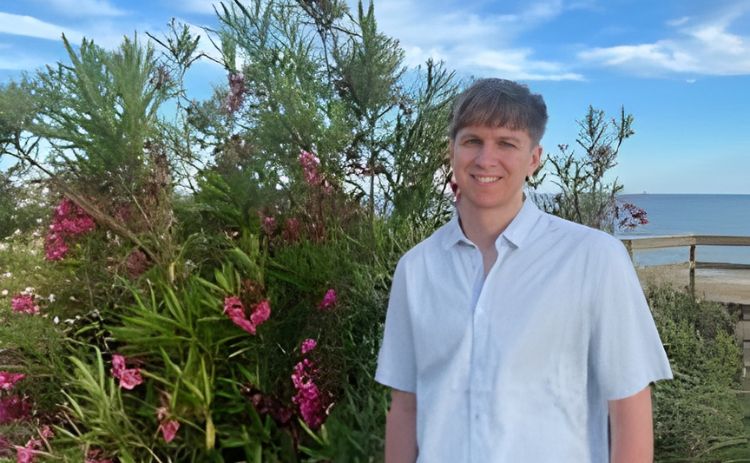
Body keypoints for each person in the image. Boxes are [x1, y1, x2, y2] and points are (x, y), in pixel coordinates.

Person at [374, 78, 672, 462]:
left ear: (534, 158)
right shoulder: (415, 269)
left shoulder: (594, 258)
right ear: (452, 152)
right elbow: (405, 407)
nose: (485, 159)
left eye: (506, 143)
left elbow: (629, 407)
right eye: (472, 141)